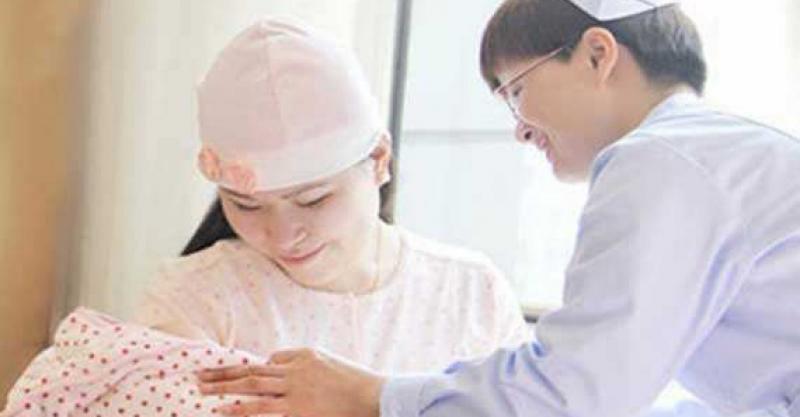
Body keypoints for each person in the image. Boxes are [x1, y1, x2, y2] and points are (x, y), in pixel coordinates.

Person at [192, 1, 800, 417]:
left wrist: (371, 396)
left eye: (516, 90)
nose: (519, 129)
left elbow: (575, 395)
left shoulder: (661, 160)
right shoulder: (718, 156)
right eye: (247, 204)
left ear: (597, 55)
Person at [134, 17, 529, 385]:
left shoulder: (472, 296)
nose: (282, 235)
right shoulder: (194, 299)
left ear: (378, 160)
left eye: (312, 200)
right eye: (246, 206)